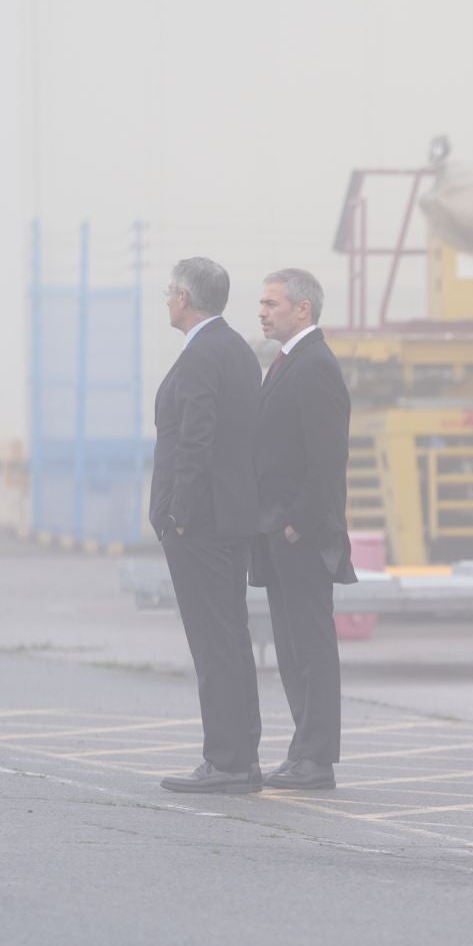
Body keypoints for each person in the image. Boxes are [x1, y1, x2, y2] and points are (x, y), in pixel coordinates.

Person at [149, 257, 265, 795]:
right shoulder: (236, 348)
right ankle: (240, 755)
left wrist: (177, 512)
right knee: (230, 638)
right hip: (228, 517)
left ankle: (226, 761)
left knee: (215, 642)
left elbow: (195, 439)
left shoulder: (203, 354)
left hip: (202, 523)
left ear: (185, 300)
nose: (167, 298)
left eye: (170, 290)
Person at [252, 268, 356, 790]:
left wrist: (299, 523)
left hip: (301, 534)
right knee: (291, 650)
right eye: (262, 303)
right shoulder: (287, 361)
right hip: (277, 530)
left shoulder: (314, 365)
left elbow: (327, 458)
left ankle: (317, 758)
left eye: (272, 303)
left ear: (302, 310)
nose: (262, 311)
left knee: (311, 649)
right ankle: (302, 751)